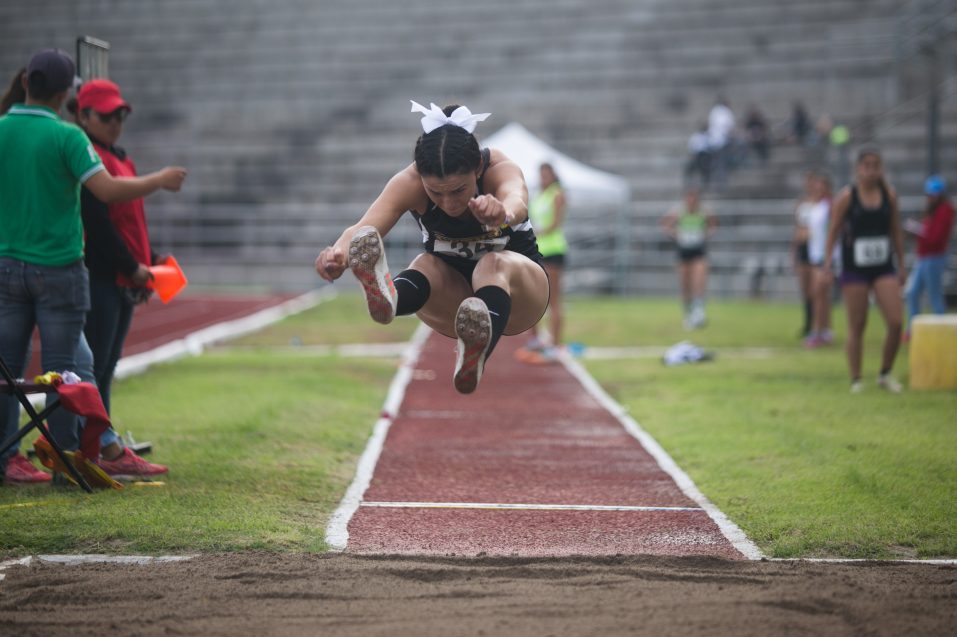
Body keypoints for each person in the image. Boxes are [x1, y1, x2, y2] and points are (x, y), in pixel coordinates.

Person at [0, 49, 186, 482]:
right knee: (66, 373)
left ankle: (8, 459)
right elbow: (105, 191)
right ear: (66, 93)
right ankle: (68, 462)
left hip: (7, 266)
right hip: (59, 268)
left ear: (27, 83)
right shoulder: (68, 137)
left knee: (9, 370)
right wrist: (158, 181)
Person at [315, 101, 548, 394]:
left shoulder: (497, 167)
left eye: (459, 190)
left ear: (476, 169)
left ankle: (479, 348)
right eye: (435, 192)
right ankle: (391, 300)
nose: (449, 203)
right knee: (425, 263)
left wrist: (502, 212)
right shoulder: (408, 182)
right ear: (422, 179)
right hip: (456, 304)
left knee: (492, 264)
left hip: (521, 295)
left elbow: (517, 197)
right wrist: (337, 254)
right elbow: (363, 228)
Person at [75, 78, 169, 479]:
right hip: (102, 276)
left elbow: (130, 220)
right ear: (84, 116)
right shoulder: (88, 160)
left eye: (121, 115)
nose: (116, 122)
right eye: (108, 115)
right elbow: (98, 225)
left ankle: (104, 442)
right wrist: (131, 267)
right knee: (93, 367)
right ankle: (96, 448)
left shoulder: (119, 156)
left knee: (106, 365)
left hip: (123, 275)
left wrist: (147, 261)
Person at [823, 147, 905, 393]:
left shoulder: (888, 195)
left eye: (875, 166)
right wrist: (828, 264)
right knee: (857, 324)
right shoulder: (847, 197)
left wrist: (901, 264)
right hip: (854, 268)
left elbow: (896, 231)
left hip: (883, 266)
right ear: (858, 169)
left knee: (896, 321)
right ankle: (856, 378)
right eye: (866, 166)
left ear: (881, 169)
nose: (871, 171)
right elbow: (833, 231)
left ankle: (885, 372)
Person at [516, 163, 568, 363]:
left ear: (553, 176)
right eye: (541, 174)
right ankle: (536, 340)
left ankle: (556, 345)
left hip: (553, 250)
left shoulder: (557, 194)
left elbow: (555, 223)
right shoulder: (539, 195)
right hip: (536, 251)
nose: (543, 177)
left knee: (553, 299)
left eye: (547, 174)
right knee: (534, 298)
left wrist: (532, 233)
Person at [903, 175, 955, 340]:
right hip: (924, 257)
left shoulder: (945, 210)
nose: (930, 197)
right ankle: (913, 329)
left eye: (933, 194)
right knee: (912, 292)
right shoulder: (933, 210)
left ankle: (942, 332)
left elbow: (936, 238)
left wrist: (918, 232)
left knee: (934, 296)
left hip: (934, 258)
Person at [662, 188, 717, 329]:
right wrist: (676, 234)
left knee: (699, 281)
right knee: (685, 285)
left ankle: (698, 312)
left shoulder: (704, 212)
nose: (691, 201)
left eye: (694, 198)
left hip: (698, 251)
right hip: (683, 251)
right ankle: (688, 314)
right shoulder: (679, 211)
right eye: (689, 198)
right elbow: (665, 224)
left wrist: (705, 235)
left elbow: (713, 225)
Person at [802, 172, 835, 348]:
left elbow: (832, 231)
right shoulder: (814, 206)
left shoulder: (829, 207)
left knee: (818, 294)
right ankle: (825, 331)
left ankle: (817, 331)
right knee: (820, 295)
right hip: (814, 255)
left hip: (824, 256)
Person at [791, 172, 816, 338]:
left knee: (816, 289)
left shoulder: (822, 204)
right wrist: (793, 250)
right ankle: (808, 324)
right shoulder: (801, 203)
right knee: (806, 289)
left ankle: (818, 325)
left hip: (815, 248)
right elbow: (797, 228)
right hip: (802, 248)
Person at [684, 122, 711, 188]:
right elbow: (692, 148)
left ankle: (705, 181)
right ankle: (689, 183)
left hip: (706, 155)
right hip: (697, 155)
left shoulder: (709, 136)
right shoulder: (695, 136)